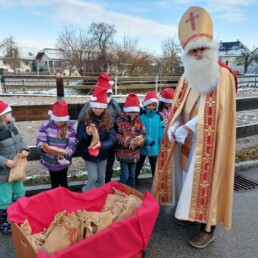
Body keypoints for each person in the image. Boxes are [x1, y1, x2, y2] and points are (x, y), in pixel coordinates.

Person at [152, 6, 237, 249]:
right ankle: (189, 213)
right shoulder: (185, 76)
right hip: (188, 140)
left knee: (209, 181)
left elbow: (217, 114)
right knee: (189, 178)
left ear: (211, 48)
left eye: (202, 48)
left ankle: (207, 227)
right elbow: (180, 105)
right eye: (194, 49)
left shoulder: (223, 76)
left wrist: (188, 127)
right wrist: (175, 125)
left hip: (211, 141)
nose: (199, 53)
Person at [77, 73, 121, 183]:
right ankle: (94, 189)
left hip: (109, 140)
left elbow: (119, 120)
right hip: (92, 142)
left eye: (108, 94)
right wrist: (89, 132)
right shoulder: (89, 106)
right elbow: (82, 121)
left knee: (107, 169)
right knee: (94, 174)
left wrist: (112, 132)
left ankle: (105, 188)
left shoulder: (114, 104)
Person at [0, 100, 30, 235]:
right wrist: (5, 162)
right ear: (2, 116)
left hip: (17, 169)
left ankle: (21, 216)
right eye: (8, 112)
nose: (11, 114)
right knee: (4, 199)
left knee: (20, 192)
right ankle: (4, 222)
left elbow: (21, 140)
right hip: (3, 173)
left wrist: (25, 149)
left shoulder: (13, 127)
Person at [36, 100, 77, 189]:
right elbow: (40, 141)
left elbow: (72, 144)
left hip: (63, 161)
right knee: (54, 182)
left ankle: (64, 197)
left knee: (63, 181)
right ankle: (55, 198)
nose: (59, 123)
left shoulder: (70, 129)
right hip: (50, 160)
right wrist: (43, 148)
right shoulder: (46, 126)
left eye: (61, 121)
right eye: (57, 121)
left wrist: (66, 152)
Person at [116, 93, 146, 188]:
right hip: (123, 154)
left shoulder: (139, 121)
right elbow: (117, 136)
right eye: (130, 112)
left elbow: (144, 134)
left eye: (135, 112)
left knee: (132, 175)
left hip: (135, 154)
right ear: (126, 111)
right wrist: (130, 142)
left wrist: (140, 141)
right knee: (125, 175)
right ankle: (122, 192)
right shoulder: (119, 121)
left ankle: (132, 193)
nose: (133, 114)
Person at [135, 91, 165, 184]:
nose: (151, 107)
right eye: (149, 105)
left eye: (153, 105)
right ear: (145, 105)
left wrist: (161, 144)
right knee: (138, 165)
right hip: (142, 145)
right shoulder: (141, 116)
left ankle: (155, 183)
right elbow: (138, 130)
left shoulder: (159, 117)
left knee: (155, 166)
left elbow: (161, 132)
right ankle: (134, 180)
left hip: (154, 146)